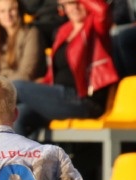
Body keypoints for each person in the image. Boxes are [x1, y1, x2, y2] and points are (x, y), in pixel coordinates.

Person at [11, 0, 119, 137]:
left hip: (83, 98)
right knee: (19, 115)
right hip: (59, 96)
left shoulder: (96, 27)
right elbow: (55, 72)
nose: (74, 7)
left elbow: (102, 10)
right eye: (69, 3)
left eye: (77, 2)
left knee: (16, 88)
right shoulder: (63, 31)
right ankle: (23, 158)